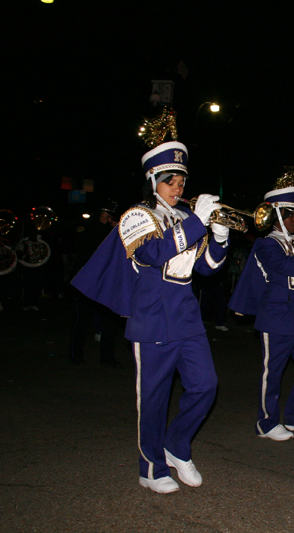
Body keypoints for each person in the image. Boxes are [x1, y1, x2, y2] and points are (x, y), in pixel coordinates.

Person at [72, 116, 228, 494]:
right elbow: (154, 253)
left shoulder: (185, 218)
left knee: (206, 385)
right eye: (169, 182)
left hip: (187, 318)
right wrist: (197, 223)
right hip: (153, 320)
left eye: (181, 182)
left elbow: (206, 268)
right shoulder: (136, 216)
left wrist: (220, 238)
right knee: (154, 399)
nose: (177, 188)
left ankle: (176, 446)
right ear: (152, 181)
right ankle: (150, 467)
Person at [228, 165, 294, 442]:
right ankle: (266, 422)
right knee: (272, 372)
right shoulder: (266, 244)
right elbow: (288, 267)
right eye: (291, 214)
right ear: (278, 215)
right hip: (275, 314)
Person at [69, 200, 121, 367]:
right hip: (88, 281)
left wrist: (117, 230)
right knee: (83, 320)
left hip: (107, 281)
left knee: (110, 322)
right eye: (105, 215)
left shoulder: (114, 230)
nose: (107, 218)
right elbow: (86, 246)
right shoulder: (88, 227)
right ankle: (76, 356)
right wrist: (107, 228)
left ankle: (107, 357)